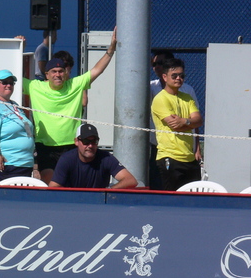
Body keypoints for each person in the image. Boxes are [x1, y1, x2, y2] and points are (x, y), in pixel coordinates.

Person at [23, 28, 117, 184]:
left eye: (61, 71)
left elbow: (97, 70)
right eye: (54, 71)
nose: (58, 75)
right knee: (49, 181)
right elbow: (12, 76)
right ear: (47, 74)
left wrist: (111, 48)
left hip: (71, 145)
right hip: (45, 146)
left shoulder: (75, 84)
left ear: (66, 73)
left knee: (71, 183)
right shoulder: (35, 86)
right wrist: (20, 46)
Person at [148, 50, 201, 190]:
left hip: (189, 158)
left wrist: (185, 122)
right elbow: (175, 126)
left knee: (193, 200)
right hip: (169, 157)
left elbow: (199, 120)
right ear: (165, 77)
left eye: (181, 75)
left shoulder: (187, 96)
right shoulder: (160, 98)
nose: (178, 78)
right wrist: (189, 121)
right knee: (170, 201)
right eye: (174, 75)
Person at [0, 70, 36, 184]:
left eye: (11, 83)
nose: (9, 85)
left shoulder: (14, 105)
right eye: (5, 82)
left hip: (24, 162)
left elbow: (26, 127)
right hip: (6, 164)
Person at [49, 123, 137, 189]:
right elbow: (53, 187)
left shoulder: (106, 158)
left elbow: (130, 180)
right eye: (86, 141)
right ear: (76, 141)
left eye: (94, 141)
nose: (90, 146)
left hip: (99, 204)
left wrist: (109, 190)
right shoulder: (67, 159)